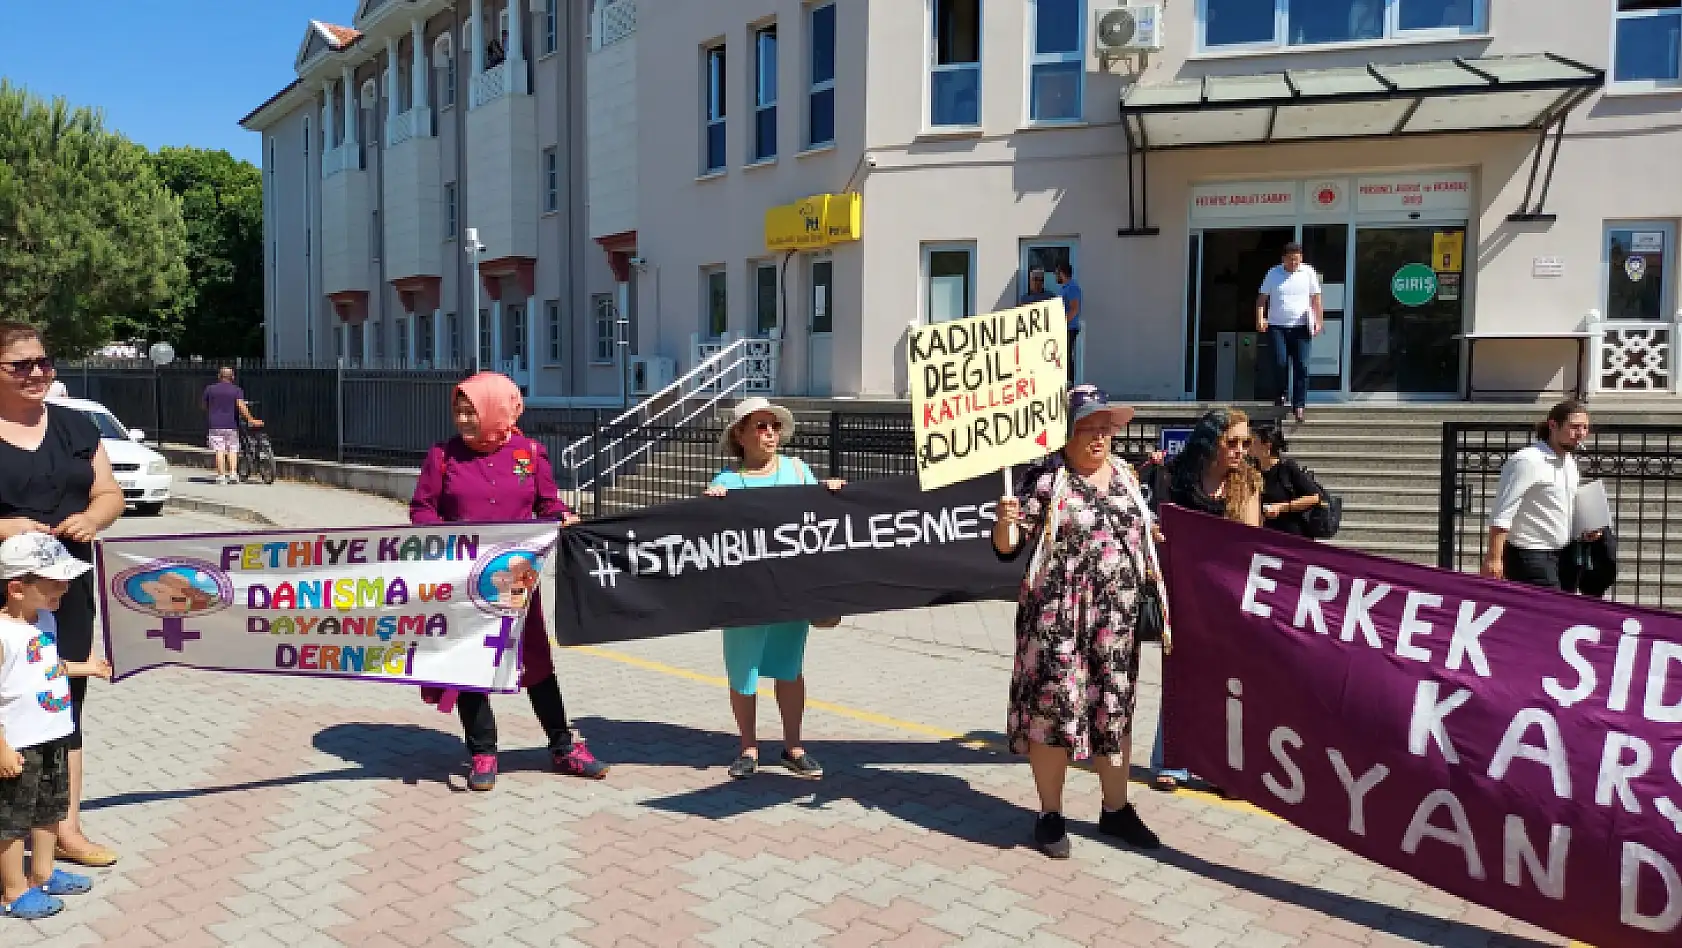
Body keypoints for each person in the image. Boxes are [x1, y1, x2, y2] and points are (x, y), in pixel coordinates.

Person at [410, 372, 609, 790]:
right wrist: (445, 538)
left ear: (496, 409)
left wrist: (562, 516)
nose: (463, 419)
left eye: (472, 411)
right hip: (464, 581)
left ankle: (563, 746)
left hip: (518, 580)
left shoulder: (531, 453)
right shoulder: (443, 456)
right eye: (458, 411)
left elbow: (547, 503)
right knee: (470, 663)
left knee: (535, 659)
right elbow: (422, 510)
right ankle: (482, 752)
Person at [993, 385, 1165, 858]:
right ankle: (1050, 814)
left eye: (1104, 427)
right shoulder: (1045, 479)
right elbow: (1009, 547)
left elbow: (1143, 534)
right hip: (1057, 621)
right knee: (1053, 712)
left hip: (1116, 624)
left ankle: (1116, 809)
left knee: (1115, 709)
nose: (1099, 437)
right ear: (1064, 433)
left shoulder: (1128, 475)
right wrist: (1005, 520)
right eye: (1087, 427)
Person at [0, 322, 124, 868]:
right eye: (19, 365)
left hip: (64, 593)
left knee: (62, 704)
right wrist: (7, 529)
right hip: (6, 596)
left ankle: (64, 830)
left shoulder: (78, 427)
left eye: (43, 362)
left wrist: (94, 517)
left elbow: (109, 493)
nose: (36, 373)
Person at [704, 397, 844, 780]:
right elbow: (707, 538)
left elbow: (823, 517)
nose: (770, 433)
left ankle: (793, 746)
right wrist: (710, 506)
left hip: (790, 591)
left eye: (774, 426)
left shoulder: (798, 471)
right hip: (745, 594)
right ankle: (748, 747)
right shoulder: (726, 483)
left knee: (789, 668)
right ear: (741, 435)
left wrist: (829, 491)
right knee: (743, 670)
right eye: (761, 426)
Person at [1148, 407, 1261, 793]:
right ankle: (1172, 761)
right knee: (1181, 678)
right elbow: (1156, 524)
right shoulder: (1178, 477)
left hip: (1227, 596)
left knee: (1226, 685)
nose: (1241, 450)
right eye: (1233, 442)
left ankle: (1222, 768)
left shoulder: (1246, 482)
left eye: (1246, 442)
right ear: (1211, 441)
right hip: (1183, 590)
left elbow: (1251, 541)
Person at [0, 534, 112, 920]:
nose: (63, 589)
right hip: (18, 744)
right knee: (12, 821)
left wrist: (87, 668)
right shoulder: (2, 633)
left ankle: (42, 872)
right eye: (53, 584)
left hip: (52, 735)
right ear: (17, 588)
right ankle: (13, 891)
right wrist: (1, 748)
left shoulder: (44, 619)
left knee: (50, 809)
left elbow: (50, 667)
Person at [1483, 399, 1592, 590]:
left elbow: (1563, 506)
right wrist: (1494, 558)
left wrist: (1585, 529)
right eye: (1574, 427)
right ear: (1553, 425)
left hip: (1563, 555)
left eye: (1585, 428)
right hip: (1530, 555)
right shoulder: (1527, 461)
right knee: (1550, 614)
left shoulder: (1568, 462)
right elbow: (1503, 512)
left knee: (1561, 614)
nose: (1581, 434)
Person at [1257, 243, 1323, 423]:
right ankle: (1281, 393)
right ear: (1283, 259)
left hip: (1301, 327)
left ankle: (1299, 405)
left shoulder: (1308, 272)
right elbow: (1262, 298)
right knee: (1280, 362)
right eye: (1290, 259)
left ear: (1301, 258)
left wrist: (1319, 321)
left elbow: (1316, 298)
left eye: (1297, 259)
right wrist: (1260, 318)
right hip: (1277, 326)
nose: (1294, 262)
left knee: (1302, 365)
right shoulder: (1273, 273)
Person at [1250, 424, 1322, 537]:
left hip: (1291, 537)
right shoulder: (1252, 470)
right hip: (1264, 536)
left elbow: (1314, 497)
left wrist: (1281, 507)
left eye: (1254, 442)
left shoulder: (1287, 467)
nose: (1250, 446)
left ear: (1267, 446)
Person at [203, 367, 259, 485]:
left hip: (215, 424)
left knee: (219, 450)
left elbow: (204, 405)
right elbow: (241, 406)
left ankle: (221, 476)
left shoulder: (210, 389)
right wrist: (251, 419)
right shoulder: (236, 390)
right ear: (232, 377)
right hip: (231, 424)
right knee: (233, 449)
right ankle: (233, 474)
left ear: (219, 376)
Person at [1055, 263, 1083, 386]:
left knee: (1066, 354)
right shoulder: (1063, 288)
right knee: (1060, 355)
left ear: (1062, 273)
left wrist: (1062, 324)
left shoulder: (1072, 287)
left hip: (1069, 327)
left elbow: (1074, 308)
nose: (1056, 276)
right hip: (1063, 327)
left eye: (1057, 273)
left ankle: (1069, 382)